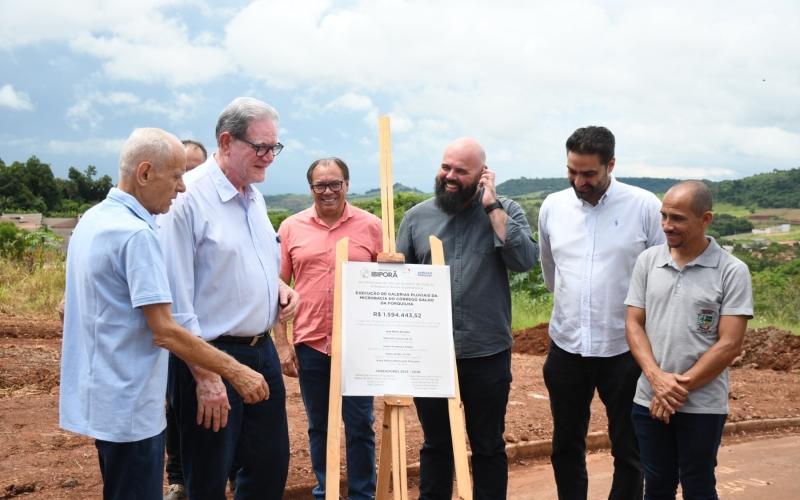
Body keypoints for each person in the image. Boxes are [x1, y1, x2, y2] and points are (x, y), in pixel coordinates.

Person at [59, 128, 269, 500]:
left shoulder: (93, 220)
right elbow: (166, 331)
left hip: (102, 400)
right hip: (131, 408)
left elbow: (70, 307)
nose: (182, 188)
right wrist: (235, 370)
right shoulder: (136, 235)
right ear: (144, 173)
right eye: (175, 177)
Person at [158, 97, 298, 500]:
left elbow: (249, 263)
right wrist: (206, 375)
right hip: (209, 356)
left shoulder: (254, 196)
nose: (270, 157)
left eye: (275, 147)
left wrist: (278, 289)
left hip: (261, 352)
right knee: (208, 473)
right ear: (226, 141)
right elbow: (176, 299)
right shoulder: (188, 200)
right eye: (261, 147)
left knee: (268, 466)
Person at [396, 137, 539, 499]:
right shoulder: (416, 217)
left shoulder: (505, 211)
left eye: (461, 170)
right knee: (436, 444)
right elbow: (402, 283)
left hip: (486, 351)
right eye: (446, 167)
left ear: (482, 175)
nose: (450, 175)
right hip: (432, 355)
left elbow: (523, 260)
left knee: (488, 444)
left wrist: (492, 207)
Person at [538, 125, 664, 499]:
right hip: (567, 348)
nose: (580, 181)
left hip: (624, 351)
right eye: (572, 172)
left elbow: (661, 279)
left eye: (589, 173)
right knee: (565, 445)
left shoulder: (644, 207)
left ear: (611, 164)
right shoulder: (552, 207)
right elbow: (551, 274)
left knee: (630, 448)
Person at [625, 181, 752, 499]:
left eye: (678, 218)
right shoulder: (648, 261)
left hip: (702, 406)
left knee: (698, 485)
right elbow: (633, 324)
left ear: (705, 219)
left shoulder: (731, 271)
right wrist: (657, 381)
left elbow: (729, 344)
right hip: (648, 401)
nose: (667, 225)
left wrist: (674, 390)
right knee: (656, 486)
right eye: (664, 216)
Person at [274, 157, 382, 499]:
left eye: (335, 183)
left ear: (347, 185)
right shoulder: (291, 227)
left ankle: (362, 494)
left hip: (358, 345)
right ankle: (327, 491)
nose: (328, 191)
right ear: (311, 189)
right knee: (320, 426)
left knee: (360, 425)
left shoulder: (372, 227)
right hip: (311, 344)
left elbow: (388, 283)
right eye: (320, 185)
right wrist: (282, 343)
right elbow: (277, 288)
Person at [163, 138, 211, 500]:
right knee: (174, 405)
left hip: (204, 330)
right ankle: (178, 477)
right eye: (183, 172)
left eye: (195, 170)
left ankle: (218, 474)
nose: (187, 181)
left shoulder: (204, 210)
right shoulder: (155, 214)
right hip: (168, 328)